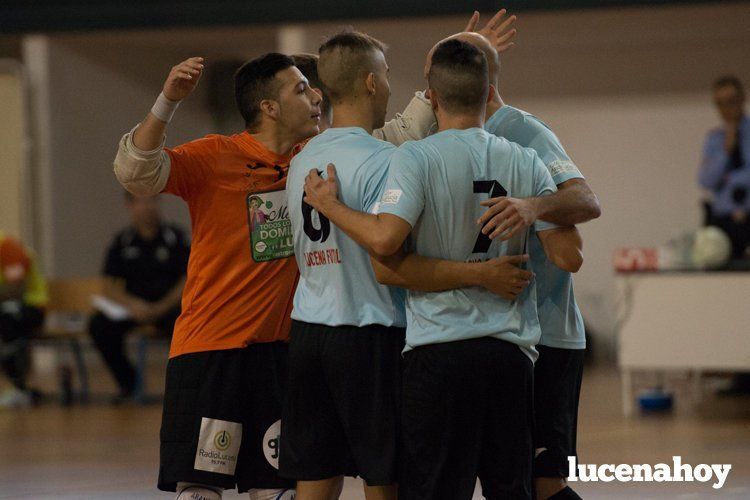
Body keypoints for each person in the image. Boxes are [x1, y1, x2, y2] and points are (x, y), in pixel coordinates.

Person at [302, 39, 583, 500]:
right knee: (513, 490)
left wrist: (330, 205)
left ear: (431, 96)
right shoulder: (526, 159)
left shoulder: (416, 157)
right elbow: (570, 256)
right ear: (489, 91)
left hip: (438, 353)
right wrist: (534, 210)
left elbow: (386, 247)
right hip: (511, 356)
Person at [113, 53, 322, 500]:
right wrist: (168, 101)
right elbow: (136, 172)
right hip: (210, 352)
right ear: (269, 107)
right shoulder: (215, 156)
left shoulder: (315, 158)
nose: (316, 97)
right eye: (301, 89)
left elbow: (388, 136)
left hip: (278, 356)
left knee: (276, 488)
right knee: (201, 488)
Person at [88, 192, 188, 403]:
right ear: (130, 205)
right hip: (134, 309)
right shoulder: (122, 241)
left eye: (152, 200)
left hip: (169, 308)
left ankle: (182, 389)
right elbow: (109, 285)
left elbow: (188, 278)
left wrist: (162, 306)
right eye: (141, 201)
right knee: (99, 325)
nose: (148, 206)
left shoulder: (176, 238)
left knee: (188, 327)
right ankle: (129, 384)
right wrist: (133, 305)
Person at [699, 75, 750, 259]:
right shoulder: (715, 139)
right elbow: (705, 181)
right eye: (720, 103)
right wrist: (724, 153)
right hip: (724, 221)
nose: (727, 109)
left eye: (731, 101)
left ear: (742, 99)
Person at [0, 232, 47, 408]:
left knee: (8, 318)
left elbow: (16, 288)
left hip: (31, 307)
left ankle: (20, 387)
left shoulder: (8, 248)